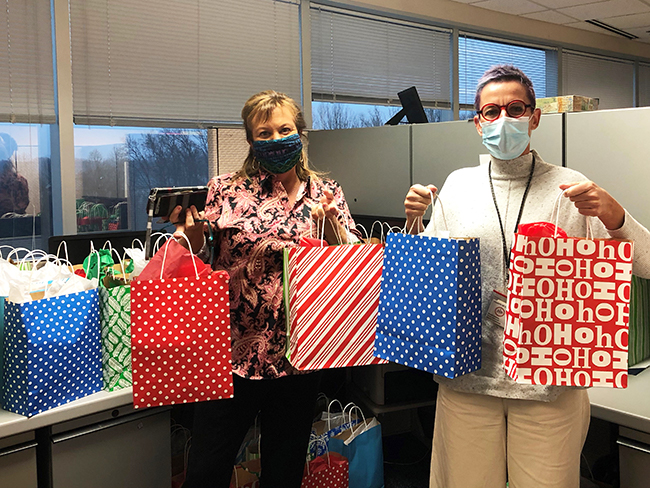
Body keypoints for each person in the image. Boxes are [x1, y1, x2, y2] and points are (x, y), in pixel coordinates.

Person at [404, 65, 650, 488]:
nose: (503, 120)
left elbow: (643, 265)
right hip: (466, 381)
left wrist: (614, 215)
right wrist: (412, 224)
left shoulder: (572, 189)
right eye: (491, 111)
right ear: (477, 123)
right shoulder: (458, 187)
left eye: (515, 109)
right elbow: (425, 283)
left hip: (548, 387)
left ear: (534, 118)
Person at [172, 90, 359, 488]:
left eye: (285, 129)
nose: (276, 139)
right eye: (265, 132)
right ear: (250, 141)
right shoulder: (224, 189)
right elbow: (204, 259)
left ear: (300, 133)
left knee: (285, 466)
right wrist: (191, 237)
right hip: (232, 350)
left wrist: (330, 225)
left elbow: (351, 261)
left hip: (300, 354)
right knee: (207, 466)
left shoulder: (326, 192)